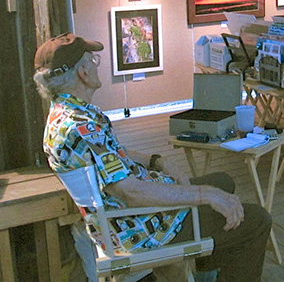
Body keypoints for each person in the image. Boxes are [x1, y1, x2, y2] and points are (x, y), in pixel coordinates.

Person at [33, 33, 271, 282]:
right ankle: (191, 261)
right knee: (257, 221)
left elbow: (111, 156)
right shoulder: (81, 127)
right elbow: (131, 192)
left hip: (122, 220)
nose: (95, 65)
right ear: (82, 72)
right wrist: (205, 195)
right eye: (92, 60)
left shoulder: (63, 116)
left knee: (223, 181)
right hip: (145, 226)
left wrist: (157, 160)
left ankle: (195, 269)